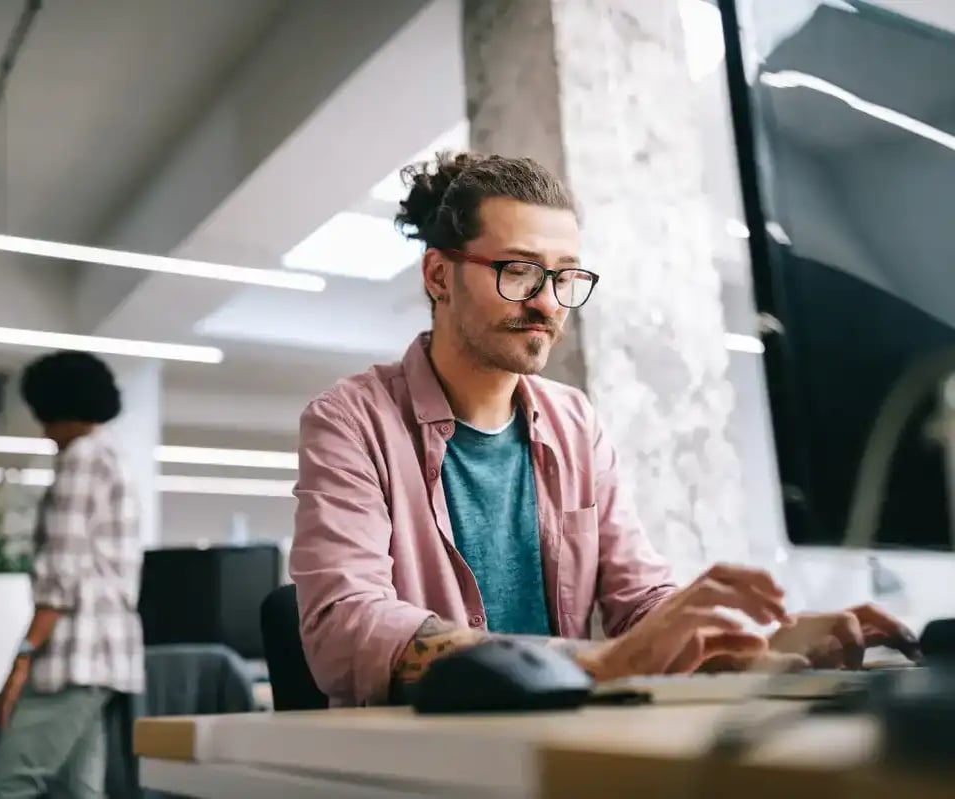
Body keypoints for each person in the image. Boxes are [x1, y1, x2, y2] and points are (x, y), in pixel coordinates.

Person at [289, 152, 920, 707]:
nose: (546, 302)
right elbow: (346, 628)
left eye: (563, 276)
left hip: (565, 745)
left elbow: (640, 602)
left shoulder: (574, 422)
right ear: (437, 276)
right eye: (518, 270)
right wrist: (599, 663)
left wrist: (747, 639)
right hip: (426, 765)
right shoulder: (352, 420)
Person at [0, 351, 145, 799]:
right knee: (79, 791)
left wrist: (23, 657)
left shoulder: (82, 458)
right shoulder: (114, 456)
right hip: (106, 657)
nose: (45, 431)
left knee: (5, 787)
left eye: (46, 417)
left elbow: (60, 572)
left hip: (77, 654)